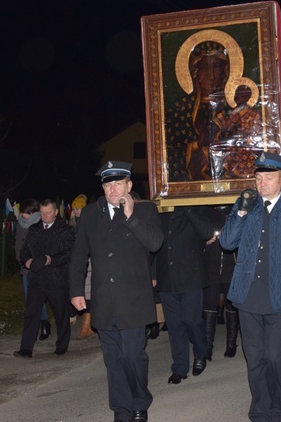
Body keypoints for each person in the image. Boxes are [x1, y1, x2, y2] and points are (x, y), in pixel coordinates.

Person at [220, 152, 281, 422]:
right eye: (258, 178)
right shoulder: (246, 206)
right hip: (248, 296)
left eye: (268, 178)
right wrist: (240, 210)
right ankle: (260, 411)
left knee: (275, 358)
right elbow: (227, 243)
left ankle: (280, 409)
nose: (262, 183)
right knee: (255, 359)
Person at [69, 161, 163, 422]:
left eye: (118, 183)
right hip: (104, 300)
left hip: (134, 300)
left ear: (129, 185)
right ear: (103, 187)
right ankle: (121, 410)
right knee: (113, 361)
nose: (112, 189)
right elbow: (79, 256)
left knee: (133, 356)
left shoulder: (145, 210)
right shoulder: (89, 214)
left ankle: (139, 402)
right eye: (108, 184)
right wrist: (76, 290)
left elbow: (155, 244)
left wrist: (131, 216)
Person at [166, 35, 265, 182]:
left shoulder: (233, 107)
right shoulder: (180, 109)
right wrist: (197, 145)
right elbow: (172, 151)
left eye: (217, 66)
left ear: (225, 70)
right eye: (205, 67)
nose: (211, 75)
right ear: (195, 71)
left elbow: (249, 144)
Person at [152, 206, 214, 384]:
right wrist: (153, 274)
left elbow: (207, 232)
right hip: (167, 277)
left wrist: (187, 209)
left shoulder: (193, 208)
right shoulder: (159, 211)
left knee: (192, 321)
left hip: (191, 276)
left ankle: (201, 353)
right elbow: (154, 245)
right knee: (174, 326)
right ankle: (179, 367)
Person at [14, 199, 76, 358]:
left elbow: (69, 254)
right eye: (42, 213)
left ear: (56, 212)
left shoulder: (66, 230)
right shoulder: (34, 229)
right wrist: (26, 260)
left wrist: (51, 260)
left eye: (48, 213)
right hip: (36, 279)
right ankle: (26, 348)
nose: (45, 216)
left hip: (56, 279)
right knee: (31, 314)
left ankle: (62, 345)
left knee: (61, 314)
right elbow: (24, 249)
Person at [203, 205, 239, 359]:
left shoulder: (235, 210)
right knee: (209, 306)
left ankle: (231, 344)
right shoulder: (207, 211)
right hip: (211, 265)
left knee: (232, 306)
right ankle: (207, 345)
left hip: (232, 266)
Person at [15, 198, 51, 341]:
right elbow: (18, 246)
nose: (24, 216)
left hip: (40, 267)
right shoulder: (20, 224)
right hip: (26, 268)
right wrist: (24, 262)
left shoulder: (41, 223)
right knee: (30, 298)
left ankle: (44, 324)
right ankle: (35, 326)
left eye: (27, 213)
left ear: (34, 212)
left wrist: (38, 263)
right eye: (23, 213)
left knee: (39, 296)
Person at [70, 194, 95, 340]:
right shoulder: (73, 223)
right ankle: (87, 322)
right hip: (79, 260)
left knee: (90, 292)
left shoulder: (88, 220)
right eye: (74, 208)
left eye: (78, 208)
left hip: (90, 260)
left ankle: (88, 323)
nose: (76, 210)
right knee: (84, 292)